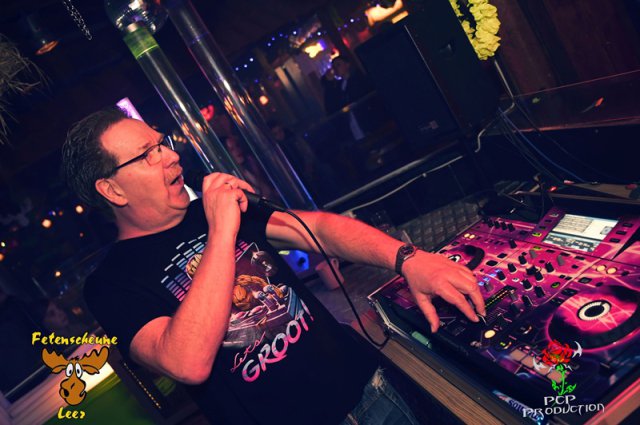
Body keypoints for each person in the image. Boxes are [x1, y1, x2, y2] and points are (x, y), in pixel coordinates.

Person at [61, 107, 485, 425]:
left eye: (162, 143)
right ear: (112, 190)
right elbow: (186, 361)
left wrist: (407, 259)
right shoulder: (111, 285)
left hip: (371, 393)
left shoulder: (211, 211)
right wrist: (221, 230)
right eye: (147, 155)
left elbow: (316, 228)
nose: (170, 157)